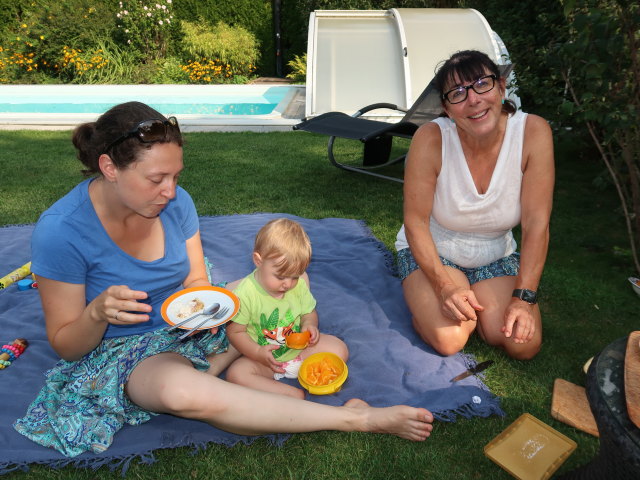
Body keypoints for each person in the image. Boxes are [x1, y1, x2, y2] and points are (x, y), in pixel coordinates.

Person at [14, 101, 433, 458]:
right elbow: (68, 346)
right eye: (156, 179)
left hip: (188, 329)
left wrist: (202, 304)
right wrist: (96, 312)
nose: (171, 192)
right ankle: (356, 418)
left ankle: (228, 361)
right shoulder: (63, 232)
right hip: (123, 350)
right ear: (109, 167)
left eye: (175, 176)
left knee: (273, 318)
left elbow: (196, 278)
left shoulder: (177, 205)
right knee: (182, 393)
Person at [395, 50, 554, 360]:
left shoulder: (533, 132)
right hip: (436, 253)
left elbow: (537, 223)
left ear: (501, 87)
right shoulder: (430, 139)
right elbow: (415, 222)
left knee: (522, 344)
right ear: (446, 108)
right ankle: (434, 303)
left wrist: (524, 298)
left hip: (495, 254)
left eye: (482, 84)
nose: (473, 100)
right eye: (458, 93)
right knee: (450, 339)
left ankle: (477, 309)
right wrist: (443, 285)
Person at [225, 218, 348, 399]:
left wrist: (309, 325)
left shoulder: (296, 285)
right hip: (266, 360)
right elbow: (235, 333)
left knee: (339, 348)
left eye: (295, 277)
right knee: (236, 374)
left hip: (299, 350)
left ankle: (299, 366)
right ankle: (291, 394)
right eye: (281, 276)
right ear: (258, 260)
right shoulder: (245, 294)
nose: (288, 284)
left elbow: (308, 312)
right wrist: (258, 353)